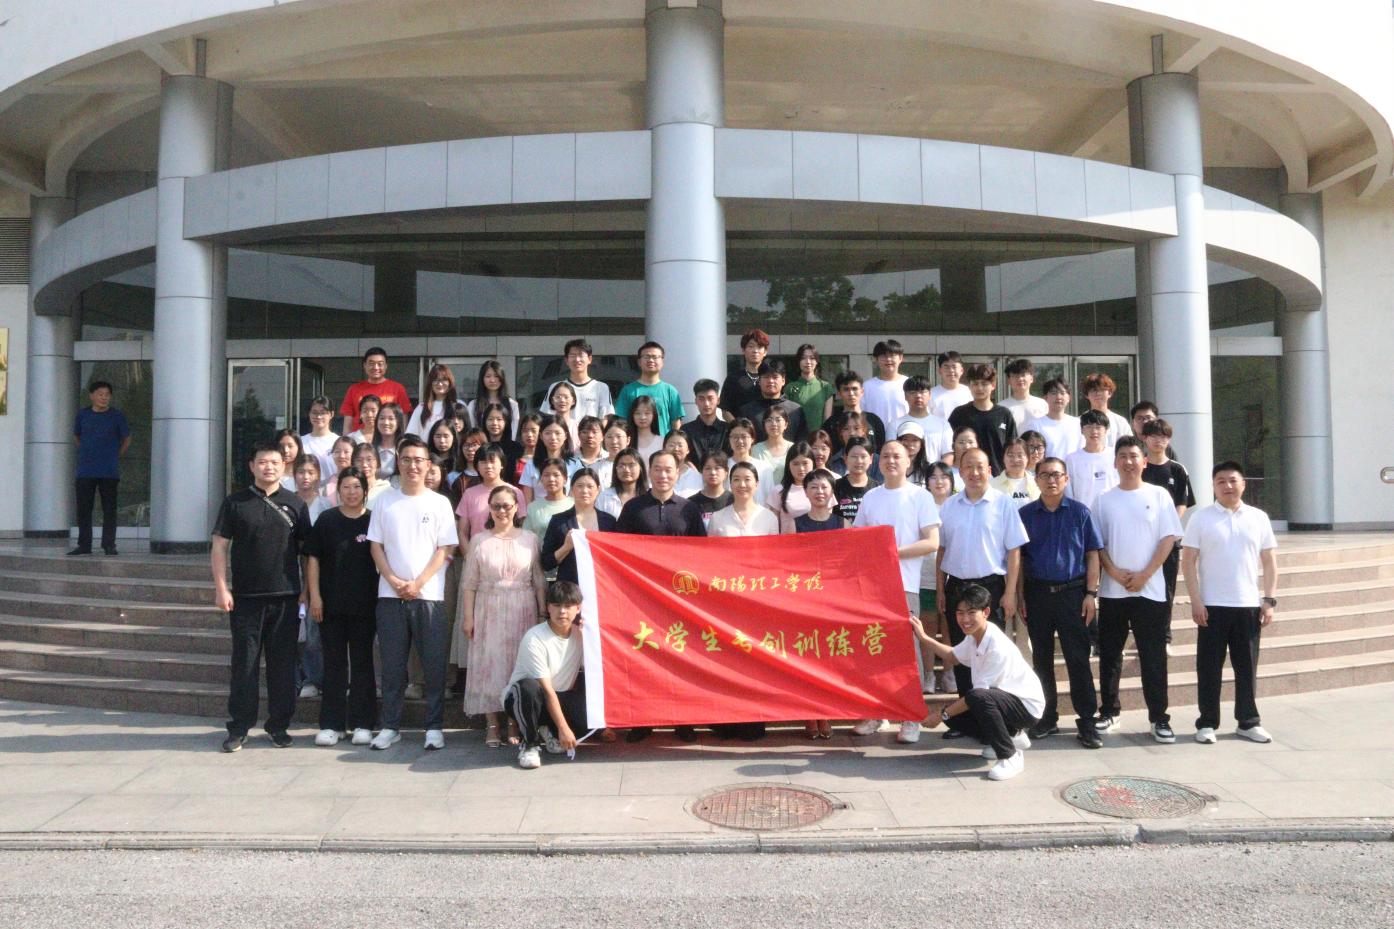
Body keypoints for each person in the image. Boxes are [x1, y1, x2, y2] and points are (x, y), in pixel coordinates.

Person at [211, 442, 312, 752]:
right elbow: (219, 546)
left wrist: (307, 589)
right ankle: (239, 727)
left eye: (275, 462)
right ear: (252, 466)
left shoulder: (295, 504)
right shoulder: (235, 503)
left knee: (282, 666)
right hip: (246, 597)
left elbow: (306, 552)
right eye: (263, 462)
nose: (269, 467)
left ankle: (278, 726)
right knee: (244, 665)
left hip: (286, 596)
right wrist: (221, 588)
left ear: (284, 467)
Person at [366, 435, 460, 751]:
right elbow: (375, 546)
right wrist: (393, 580)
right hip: (389, 596)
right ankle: (390, 726)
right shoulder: (384, 500)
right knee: (393, 666)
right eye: (406, 459)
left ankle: (434, 727)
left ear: (428, 465)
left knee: (433, 665)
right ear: (399, 463)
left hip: (429, 596)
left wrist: (418, 583)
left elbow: (445, 549)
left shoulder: (440, 503)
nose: (412, 466)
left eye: (419, 460)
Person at [1182, 462, 1279, 745]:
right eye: (1221, 481)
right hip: (1211, 605)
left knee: (1247, 668)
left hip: (1248, 605)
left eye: (1233, 480)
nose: (1227, 486)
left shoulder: (1258, 518)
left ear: (1243, 484)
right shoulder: (1201, 518)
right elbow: (1188, 562)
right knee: (1209, 669)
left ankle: (1248, 722)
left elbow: (1270, 562)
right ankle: (1207, 722)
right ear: (1213, 486)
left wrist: (1269, 600)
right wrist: (1196, 600)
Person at [850, 440, 941, 743]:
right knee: (874, 650)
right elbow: (859, 538)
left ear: (908, 462)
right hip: (872, 586)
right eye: (886, 456)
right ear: (878, 462)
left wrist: (893, 552)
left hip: (905, 585)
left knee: (908, 652)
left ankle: (911, 716)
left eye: (897, 456)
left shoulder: (920, 496)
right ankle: (878, 713)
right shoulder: (871, 497)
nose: (891, 461)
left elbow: (932, 542)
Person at [908, 584, 1045, 782]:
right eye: (960, 613)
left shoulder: (995, 645)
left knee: (972, 699)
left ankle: (1010, 756)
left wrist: (940, 714)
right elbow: (952, 655)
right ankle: (1012, 736)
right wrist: (923, 637)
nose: (965, 619)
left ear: (986, 612)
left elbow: (978, 696)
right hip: (1004, 700)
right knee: (954, 718)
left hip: (1026, 708)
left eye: (971, 613)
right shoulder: (975, 636)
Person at [1095, 436, 1183, 742]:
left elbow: (1168, 538)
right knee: (1110, 655)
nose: (1128, 461)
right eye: (1123, 456)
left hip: (1150, 590)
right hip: (1113, 591)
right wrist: (1112, 571)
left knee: (1153, 657)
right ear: (1115, 462)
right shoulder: (1103, 499)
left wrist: (1146, 574)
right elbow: (1097, 543)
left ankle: (1159, 718)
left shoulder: (1159, 495)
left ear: (1144, 461)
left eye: (1134, 456)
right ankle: (1109, 711)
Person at [616, 449, 707, 743]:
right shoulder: (633, 508)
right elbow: (617, 549)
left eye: (668, 470)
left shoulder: (689, 510)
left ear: (677, 474)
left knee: (681, 660)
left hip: (680, 599)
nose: (663, 475)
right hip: (642, 598)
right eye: (657, 469)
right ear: (649, 472)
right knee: (644, 659)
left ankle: (683, 720)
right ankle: (643, 721)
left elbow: (702, 554)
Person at [1016, 456, 1104, 748]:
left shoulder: (1080, 512)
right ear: (1036, 480)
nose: (1051, 480)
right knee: (1041, 660)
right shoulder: (1026, 514)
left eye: (1056, 475)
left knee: (1078, 659)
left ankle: (1087, 720)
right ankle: (1046, 717)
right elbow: (1019, 559)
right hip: (1037, 595)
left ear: (1066, 479)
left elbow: (1092, 554)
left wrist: (1091, 594)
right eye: (1045, 475)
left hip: (1073, 595)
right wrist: (1020, 596)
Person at [935, 447, 1029, 699]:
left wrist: (1010, 593)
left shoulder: (1004, 503)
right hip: (957, 587)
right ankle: (965, 712)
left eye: (980, 467)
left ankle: (991, 710)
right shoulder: (949, 506)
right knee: (961, 652)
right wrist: (941, 590)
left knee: (991, 653)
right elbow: (941, 551)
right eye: (968, 467)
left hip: (991, 588)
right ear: (960, 472)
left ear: (989, 471)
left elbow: (1014, 551)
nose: (974, 472)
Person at [461, 484, 547, 748]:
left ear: (516, 508)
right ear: (489, 509)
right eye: (496, 506)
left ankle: (513, 721)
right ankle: (492, 724)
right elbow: (469, 583)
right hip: (489, 608)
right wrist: (468, 617)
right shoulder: (479, 540)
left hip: (523, 607)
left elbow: (538, 579)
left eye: (507, 506)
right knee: (489, 665)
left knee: (516, 665)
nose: (502, 511)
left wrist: (542, 612)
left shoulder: (530, 539)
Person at [305, 467, 378, 747]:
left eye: (356, 487)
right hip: (330, 605)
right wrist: (315, 596)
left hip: (365, 605)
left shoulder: (373, 521)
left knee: (362, 664)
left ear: (365, 491)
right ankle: (332, 724)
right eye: (346, 487)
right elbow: (313, 559)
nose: (351, 492)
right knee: (334, 664)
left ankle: (363, 723)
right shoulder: (327, 520)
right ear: (338, 491)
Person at [504, 580, 588, 769]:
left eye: (568, 606)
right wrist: (564, 728)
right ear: (548, 607)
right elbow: (546, 690)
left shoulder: (581, 635)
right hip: (527, 698)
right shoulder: (534, 637)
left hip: (562, 696)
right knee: (529, 687)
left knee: (588, 721)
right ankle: (529, 744)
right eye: (557, 605)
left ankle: (548, 730)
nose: (562, 612)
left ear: (578, 608)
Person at [1140, 418, 1195, 651]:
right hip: (1141, 539)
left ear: (1169, 440)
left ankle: (1164, 636)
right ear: (1145, 438)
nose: (1158, 440)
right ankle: (1142, 633)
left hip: (1168, 540)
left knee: (1167, 588)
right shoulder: (1139, 466)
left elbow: (1183, 502)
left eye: (1163, 436)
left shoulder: (1177, 469)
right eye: (1153, 436)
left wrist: (1168, 526)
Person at [71, 380, 131, 557]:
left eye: (107, 395)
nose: (104, 398)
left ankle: (109, 545)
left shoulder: (117, 416)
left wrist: (115, 455)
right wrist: (87, 452)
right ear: (92, 396)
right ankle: (84, 545)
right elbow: (77, 436)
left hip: (109, 471)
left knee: (109, 510)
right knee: (84, 510)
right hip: (85, 471)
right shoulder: (83, 415)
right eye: (100, 394)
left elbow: (127, 439)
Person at [541, 469, 617, 585]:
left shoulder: (609, 521)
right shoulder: (559, 521)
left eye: (590, 486)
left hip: (601, 586)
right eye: (580, 486)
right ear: (572, 490)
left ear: (598, 489)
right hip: (570, 588)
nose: (585, 491)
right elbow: (546, 563)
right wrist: (566, 547)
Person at [923, 461, 958, 694]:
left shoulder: (958, 505)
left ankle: (949, 673)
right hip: (924, 576)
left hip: (952, 576)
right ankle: (928, 675)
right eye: (933, 477)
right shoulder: (920, 504)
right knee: (927, 627)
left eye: (944, 477)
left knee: (950, 627)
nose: (939, 481)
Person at [947, 363, 1017, 474]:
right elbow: (949, 448)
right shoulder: (959, 414)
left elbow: (1012, 448)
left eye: (984, 384)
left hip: (998, 476)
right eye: (975, 384)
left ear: (993, 385)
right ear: (969, 386)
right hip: (967, 475)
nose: (979, 388)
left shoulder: (1004, 414)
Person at [456, 444, 529, 542]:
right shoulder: (469, 494)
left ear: (502, 464)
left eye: (492, 461)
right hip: (477, 549)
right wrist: (470, 551)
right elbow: (462, 532)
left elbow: (522, 528)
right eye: (484, 462)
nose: (488, 466)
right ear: (477, 466)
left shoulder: (515, 492)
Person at [614, 341, 685, 434]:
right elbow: (621, 422)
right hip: (635, 442)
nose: (651, 360)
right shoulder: (628, 390)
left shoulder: (670, 391)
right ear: (639, 362)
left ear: (662, 362)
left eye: (655, 357)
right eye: (646, 357)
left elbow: (676, 423)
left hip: (663, 442)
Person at [340, 347, 413, 435]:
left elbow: (403, 420)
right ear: (364, 365)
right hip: (360, 439)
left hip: (388, 438)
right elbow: (348, 422)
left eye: (380, 364)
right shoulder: (354, 389)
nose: (375, 367)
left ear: (386, 366)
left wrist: (402, 440)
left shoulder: (398, 388)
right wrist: (347, 440)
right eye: (371, 363)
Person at [540, 339, 614, 421]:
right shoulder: (556, 387)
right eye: (573, 356)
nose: (577, 359)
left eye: (581, 355)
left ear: (589, 359)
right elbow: (548, 416)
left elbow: (605, 419)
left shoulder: (601, 387)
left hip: (590, 429)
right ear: (566, 360)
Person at [1064, 410, 1118, 515]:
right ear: (1082, 430)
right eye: (1089, 427)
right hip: (1083, 516)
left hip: (1112, 514)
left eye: (1098, 427)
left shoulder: (1116, 456)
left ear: (1106, 430)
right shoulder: (1072, 459)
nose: (1094, 431)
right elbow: (1068, 492)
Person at [738, 360, 807, 442]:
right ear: (759, 381)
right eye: (766, 377)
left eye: (775, 377)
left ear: (783, 380)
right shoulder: (747, 411)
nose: (771, 381)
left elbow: (802, 442)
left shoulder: (796, 410)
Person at [519, 416, 582, 503]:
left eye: (557, 433)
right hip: (538, 510)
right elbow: (528, 501)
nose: (553, 437)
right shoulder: (531, 464)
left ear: (565, 436)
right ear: (541, 436)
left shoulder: (575, 465)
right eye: (548, 433)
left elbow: (577, 497)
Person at [708, 461, 780, 537]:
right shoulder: (717, 518)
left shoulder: (769, 517)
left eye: (747, 479)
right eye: (736, 479)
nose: (742, 485)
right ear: (730, 485)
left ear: (757, 484)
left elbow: (774, 544)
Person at [897, 375, 955, 463]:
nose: (918, 396)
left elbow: (948, 455)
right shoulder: (895, 425)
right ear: (905, 396)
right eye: (913, 392)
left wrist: (936, 471)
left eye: (923, 392)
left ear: (930, 395)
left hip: (935, 471)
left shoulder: (943, 424)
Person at [1022, 378, 1082, 460]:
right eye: (1053, 393)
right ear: (1045, 397)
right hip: (1045, 468)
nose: (1058, 397)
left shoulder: (1077, 423)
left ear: (1069, 398)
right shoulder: (1035, 425)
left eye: (1062, 393)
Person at [724, 417, 776, 508]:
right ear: (729, 439)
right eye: (735, 437)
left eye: (744, 437)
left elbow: (771, 500)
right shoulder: (722, 467)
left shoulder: (764, 468)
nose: (740, 441)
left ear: (752, 439)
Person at [719, 328, 770, 419]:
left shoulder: (771, 378)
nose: (755, 351)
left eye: (759, 347)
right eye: (751, 346)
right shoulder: (733, 378)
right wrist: (737, 425)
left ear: (765, 352)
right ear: (743, 350)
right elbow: (725, 411)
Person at [785, 343, 835, 432]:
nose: (808, 362)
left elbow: (827, 420)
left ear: (816, 361)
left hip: (818, 437)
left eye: (812, 358)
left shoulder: (825, 387)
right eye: (803, 358)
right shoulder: (790, 388)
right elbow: (787, 418)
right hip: (795, 437)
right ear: (798, 361)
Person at [862, 340, 909, 429]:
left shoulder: (909, 384)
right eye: (883, 356)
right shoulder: (867, 386)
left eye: (892, 355)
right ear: (876, 359)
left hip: (903, 435)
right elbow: (861, 414)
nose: (888, 359)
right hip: (876, 435)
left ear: (900, 358)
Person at [468, 361, 520, 439]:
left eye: (496, 376)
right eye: (488, 376)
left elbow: (513, 432)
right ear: (482, 379)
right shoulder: (473, 405)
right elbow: (472, 431)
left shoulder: (512, 405)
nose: (492, 380)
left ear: (502, 378)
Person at [523, 458, 574, 540]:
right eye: (546, 475)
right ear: (541, 479)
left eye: (556, 475)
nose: (551, 479)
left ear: (565, 479)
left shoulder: (574, 505)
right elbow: (526, 537)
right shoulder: (533, 507)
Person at [683, 378, 730, 465]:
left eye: (710, 398)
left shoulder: (728, 430)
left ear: (718, 400)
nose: (706, 404)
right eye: (701, 399)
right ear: (696, 401)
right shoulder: (686, 430)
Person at [772, 443, 815, 534]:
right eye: (795, 464)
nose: (801, 468)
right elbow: (773, 527)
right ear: (788, 465)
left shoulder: (822, 489)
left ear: (813, 463)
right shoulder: (779, 490)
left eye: (805, 463)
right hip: (788, 541)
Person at [299, 395, 340, 490]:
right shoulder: (301, 442)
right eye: (314, 412)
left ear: (331, 414)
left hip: (333, 492)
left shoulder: (339, 442)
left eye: (323, 413)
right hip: (307, 492)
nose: (318, 416)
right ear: (309, 414)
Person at [1082, 372, 1132, 448]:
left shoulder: (1120, 422)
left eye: (1102, 390)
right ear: (1086, 395)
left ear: (1110, 393)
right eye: (1094, 390)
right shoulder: (1078, 422)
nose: (1098, 393)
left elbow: (1129, 447)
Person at [406, 364, 457, 438]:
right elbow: (410, 436)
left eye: (444, 379)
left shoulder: (458, 406)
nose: (440, 384)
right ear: (430, 383)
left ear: (450, 382)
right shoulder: (421, 408)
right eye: (436, 380)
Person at [596, 447, 647, 518]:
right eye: (622, 465)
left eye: (631, 465)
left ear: (640, 468)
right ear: (616, 469)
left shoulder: (649, 496)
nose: (626, 470)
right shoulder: (604, 497)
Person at [990, 438, 1040, 507]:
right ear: (1003, 458)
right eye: (1010, 455)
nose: (1015, 460)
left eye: (1020, 455)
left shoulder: (1037, 483)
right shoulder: (992, 485)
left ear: (1027, 458)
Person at [691, 450, 734, 527]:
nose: (713, 473)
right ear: (701, 472)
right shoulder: (691, 503)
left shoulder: (734, 501)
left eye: (717, 468)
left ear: (726, 472)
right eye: (708, 468)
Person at [1001, 358, 1048, 428]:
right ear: (1009, 381)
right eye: (1016, 376)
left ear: (1031, 378)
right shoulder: (1002, 407)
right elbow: (1001, 431)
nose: (1020, 379)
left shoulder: (1042, 404)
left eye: (1023, 375)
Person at [751, 407, 793, 481]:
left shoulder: (793, 448)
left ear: (786, 424)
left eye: (778, 420)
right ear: (764, 425)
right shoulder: (755, 450)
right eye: (769, 420)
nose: (774, 424)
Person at [929, 350, 973, 420]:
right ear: (940, 371)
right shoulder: (930, 394)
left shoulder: (970, 392)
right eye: (946, 367)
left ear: (961, 370)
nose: (951, 370)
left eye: (954, 366)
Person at [575, 415, 612, 488]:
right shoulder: (570, 460)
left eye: (594, 432)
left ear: (603, 436)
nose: (590, 436)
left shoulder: (609, 459)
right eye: (585, 432)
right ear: (579, 435)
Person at [627, 395, 666, 464]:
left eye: (647, 413)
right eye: (637, 413)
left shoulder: (662, 441)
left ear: (654, 415)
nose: (642, 417)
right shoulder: (627, 441)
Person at [665, 430, 704, 497]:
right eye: (671, 445)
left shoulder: (697, 477)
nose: (676, 449)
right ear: (664, 448)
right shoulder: (657, 474)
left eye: (680, 445)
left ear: (688, 450)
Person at [545, 380, 581, 449]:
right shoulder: (546, 427)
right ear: (552, 401)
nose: (562, 400)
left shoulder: (579, 427)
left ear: (573, 401)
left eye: (566, 397)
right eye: (558, 397)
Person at [323, 436, 357, 504]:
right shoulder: (327, 482)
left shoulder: (360, 480)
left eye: (346, 452)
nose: (341, 456)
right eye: (337, 451)